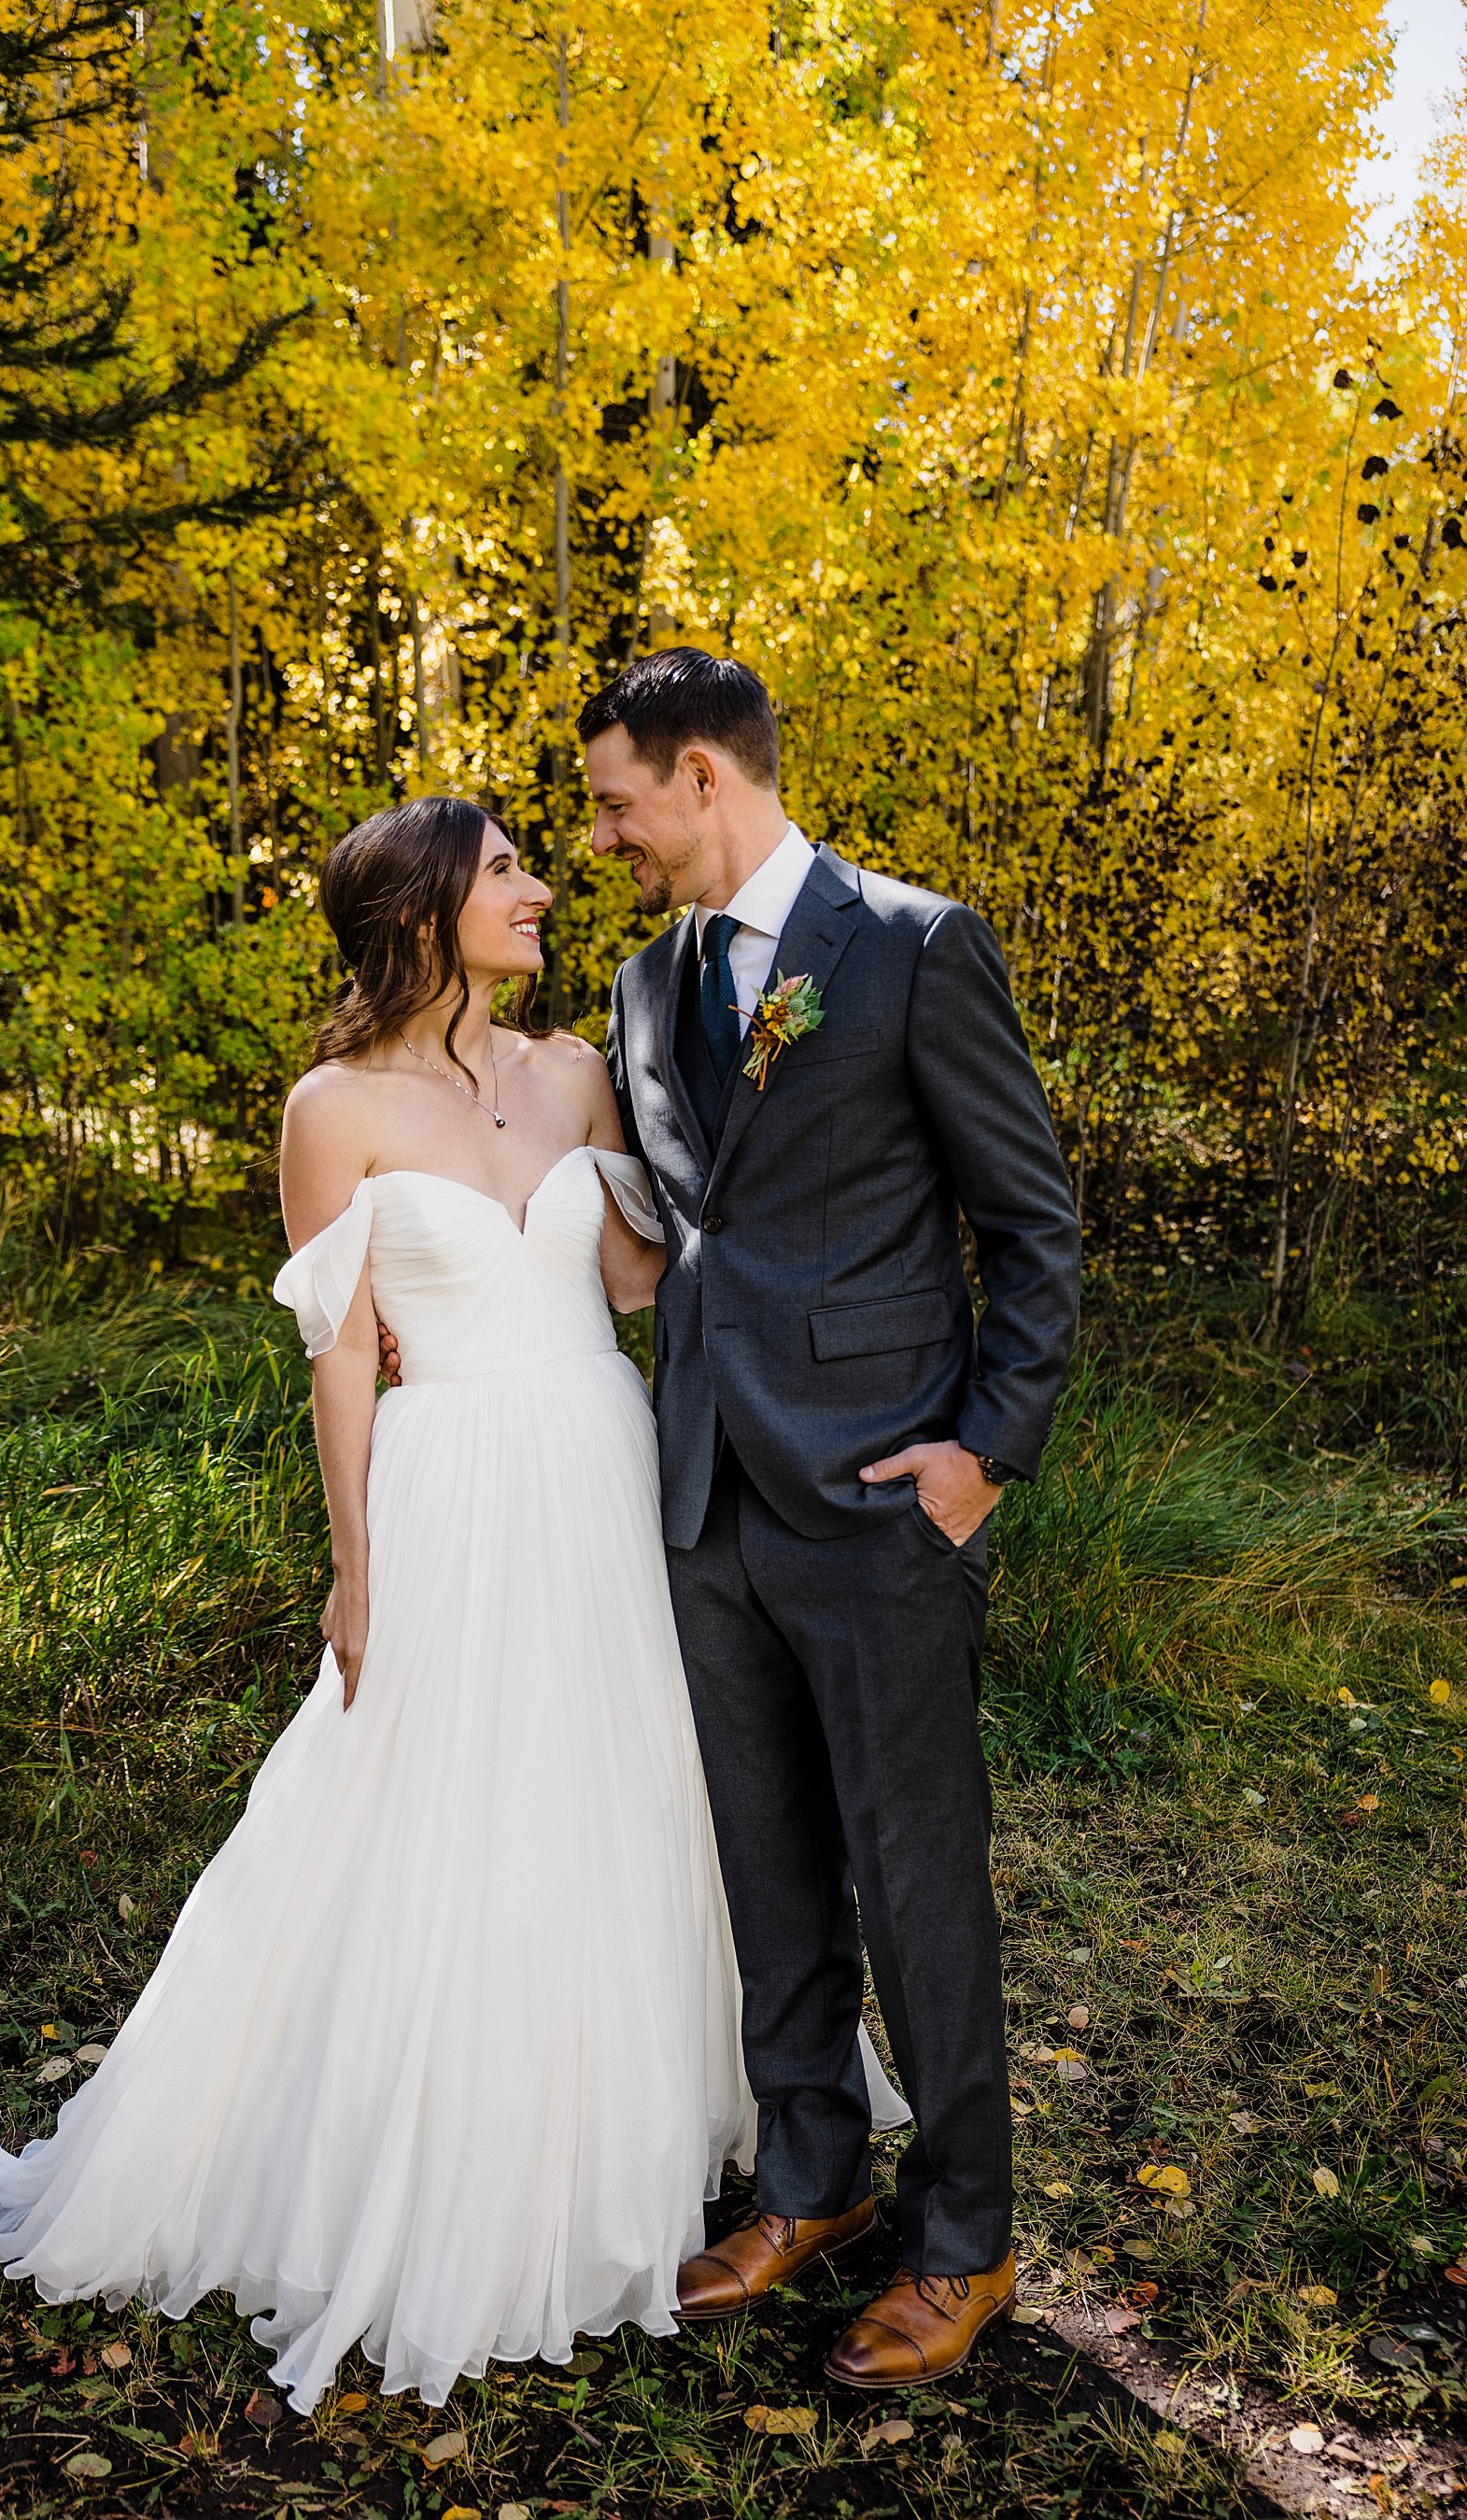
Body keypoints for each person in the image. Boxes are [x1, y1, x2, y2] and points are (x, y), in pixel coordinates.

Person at [0, 796, 763, 2410]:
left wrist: (698, 1145)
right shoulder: (329, 1109)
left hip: (599, 1459)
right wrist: (353, 1559)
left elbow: (626, 1284)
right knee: (436, 1796)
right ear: (420, 916)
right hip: (453, 1475)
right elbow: (340, 1348)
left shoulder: (579, 1067)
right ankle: (442, 2144)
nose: (542, 889)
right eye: (506, 874)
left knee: (617, 1782)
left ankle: (618, 2119)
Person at [585, 649, 1081, 2390]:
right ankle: (812, 2176)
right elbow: (673, 1226)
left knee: (917, 1874)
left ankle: (969, 2237)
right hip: (709, 1496)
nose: (605, 833)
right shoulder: (646, 988)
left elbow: (1031, 1223)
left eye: (617, 797)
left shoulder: (913, 946)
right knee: (768, 1865)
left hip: (883, 1499)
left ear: (705, 774)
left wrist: (980, 1456)